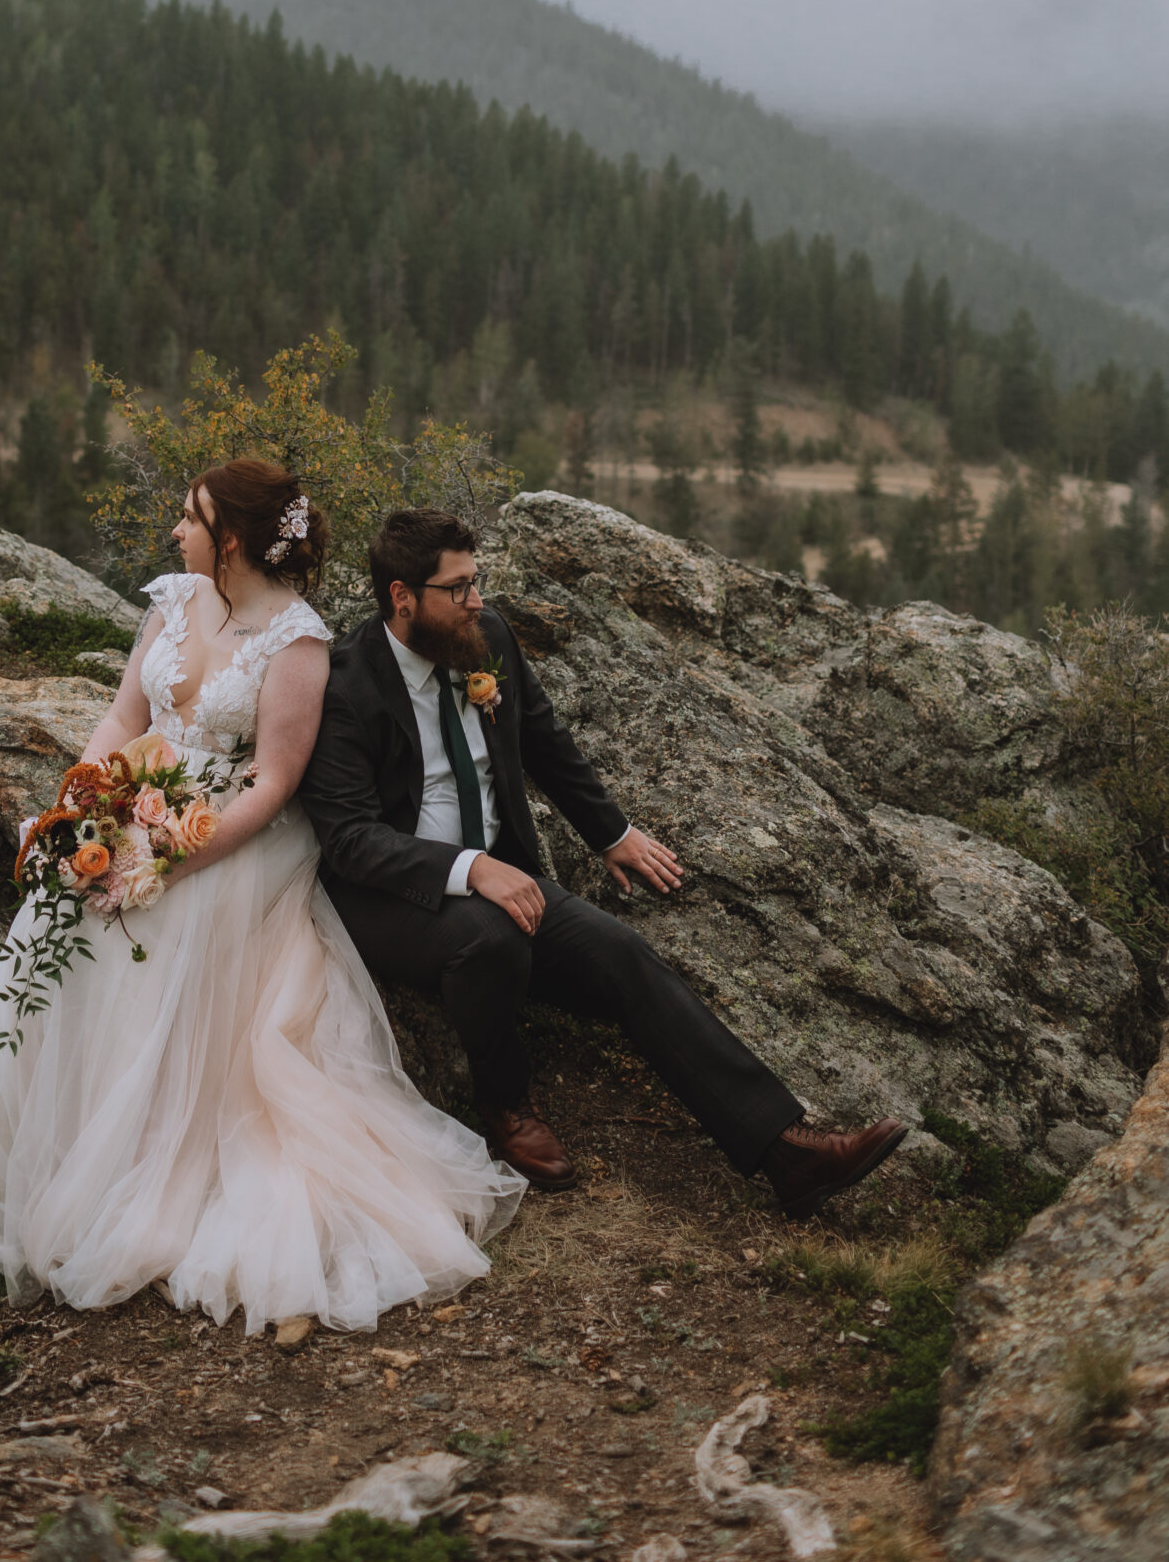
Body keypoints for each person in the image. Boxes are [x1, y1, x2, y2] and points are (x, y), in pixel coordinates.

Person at [0, 459, 525, 1331]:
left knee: (166, 936)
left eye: (191, 519)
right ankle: (44, 1170)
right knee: (56, 944)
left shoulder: (298, 640)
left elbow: (274, 784)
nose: (176, 532)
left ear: (230, 539)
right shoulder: (172, 601)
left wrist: (166, 863)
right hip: (136, 803)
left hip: (234, 837)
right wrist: (84, 809)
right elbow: (126, 719)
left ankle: (150, 1175)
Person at [300, 508, 906, 1215]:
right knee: (489, 940)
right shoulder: (346, 685)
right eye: (458, 588)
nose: (478, 601)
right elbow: (348, 838)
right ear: (403, 597)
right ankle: (504, 1107)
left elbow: (543, 738)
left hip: (500, 870)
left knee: (622, 954)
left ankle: (785, 1150)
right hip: (389, 894)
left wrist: (609, 832)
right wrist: (470, 870)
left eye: (477, 582)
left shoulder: (483, 638)